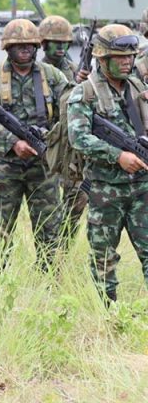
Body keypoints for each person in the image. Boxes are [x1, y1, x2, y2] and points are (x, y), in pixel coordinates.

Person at [0, 18, 70, 270]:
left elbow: (69, 113)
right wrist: (13, 142)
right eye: (19, 45)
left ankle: (49, 279)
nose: (25, 48)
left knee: (49, 227)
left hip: (44, 164)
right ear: (7, 47)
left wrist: (50, 139)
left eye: (30, 44)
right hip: (5, 166)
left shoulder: (53, 76)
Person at [67, 24, 148, 304]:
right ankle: (107, 315)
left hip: (142, 189)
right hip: (105, 191)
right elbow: (78, 138)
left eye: (130, 56)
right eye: (120, 57)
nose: (127, 62)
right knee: (103, 258)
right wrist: (117, 156)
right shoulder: (86, 93)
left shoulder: (138, 88)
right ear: (102, 59)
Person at [38, 15, 88, 247]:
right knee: (47, 202)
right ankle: (48, 248)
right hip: (47, 142)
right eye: (56, 42)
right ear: (43, 44)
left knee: (77, 197)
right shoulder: (38, 72)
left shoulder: (76, 70)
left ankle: (64, 247)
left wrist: (84, 85)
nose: (61, 47)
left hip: (71, 144)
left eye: (65, 43)